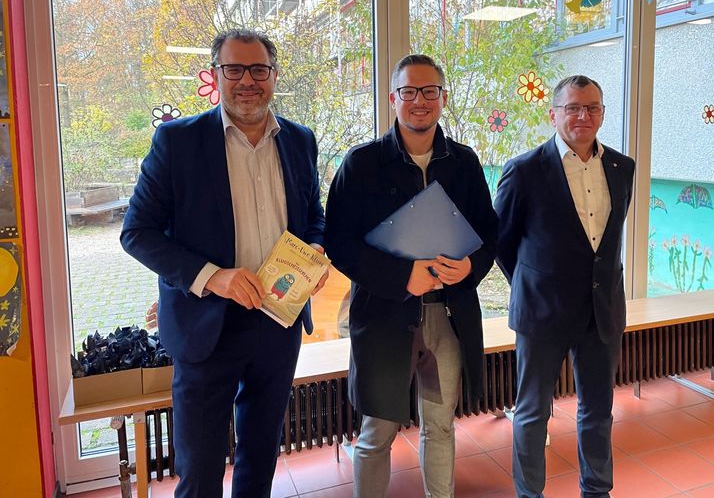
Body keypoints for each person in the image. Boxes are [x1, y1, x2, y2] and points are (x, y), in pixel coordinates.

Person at [120, 28, 327, 498]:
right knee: (200, 471)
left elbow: (313, 216)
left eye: (259, 70)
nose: (247, 81)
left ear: (274, 76)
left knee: (260, 457)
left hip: (279, 320)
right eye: (234, 69)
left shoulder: (299, 140)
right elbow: (137, 233)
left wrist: (314, 249)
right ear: (216, 75)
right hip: (204, 326)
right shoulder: (177, 142)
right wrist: (214, 278)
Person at [324, 54, 497, 498]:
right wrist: (403, 277)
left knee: (439, 427)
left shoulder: (464, 161)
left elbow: (488, 234)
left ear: (442, 97)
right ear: (393, 98)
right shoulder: (361, 164)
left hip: (449, 318)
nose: (419, 101)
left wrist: (471, 266)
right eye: (409, 91)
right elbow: (340, 243)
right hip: (384, 320)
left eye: (430, 91)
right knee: (376, 434)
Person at [494, 75, 635, 498]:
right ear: (553, 114)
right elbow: (502, 242)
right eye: (572, 107)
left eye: (591, 107)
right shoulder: (524, 170)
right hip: (542, 312)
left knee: (598, 411)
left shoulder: (622, 167)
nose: (582, 116)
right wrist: (535, 283)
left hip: (602, 310)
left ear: (603, 114)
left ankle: (596, 490)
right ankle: (529, 493)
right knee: (533, 413)